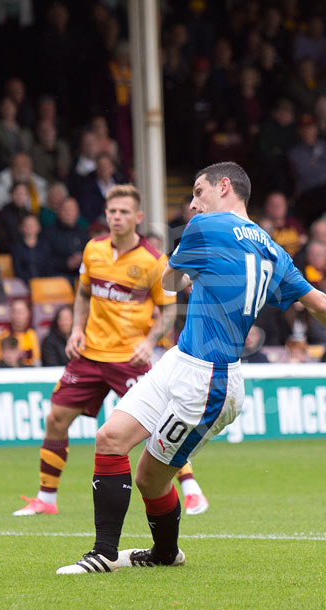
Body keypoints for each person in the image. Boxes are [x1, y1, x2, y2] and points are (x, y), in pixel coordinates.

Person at [56, 162, 326, 574]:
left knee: (149, 476)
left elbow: (167, 282)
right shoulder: (273, 248)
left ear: (224, 186)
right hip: (182, 360)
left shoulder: (205, 229)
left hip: (209, 380)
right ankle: (106, 553)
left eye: (198, 193)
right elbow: (318, 301)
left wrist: (189, 274)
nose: (193, 204)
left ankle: (163, 554)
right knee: (110, 437)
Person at [13, 184, 211, 519]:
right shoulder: (93, 250)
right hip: (90, 354)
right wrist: (76, 329)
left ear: (138, 217)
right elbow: (82, 295)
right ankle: (46, 498)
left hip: (128, 359)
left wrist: (148, 342)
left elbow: (168, 311)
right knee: (56, 418)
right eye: (111, 211)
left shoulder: (153, 261)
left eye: (123, 212)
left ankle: (191, 489)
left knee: (159, 423)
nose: (116, 217)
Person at [0, 299, 40, 366]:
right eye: (15, 311)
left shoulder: (32, 334)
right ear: (11, 314)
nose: (18, 315)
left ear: (28, 313)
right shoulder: (3, 335)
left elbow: (36, 358)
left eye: (21, 312)